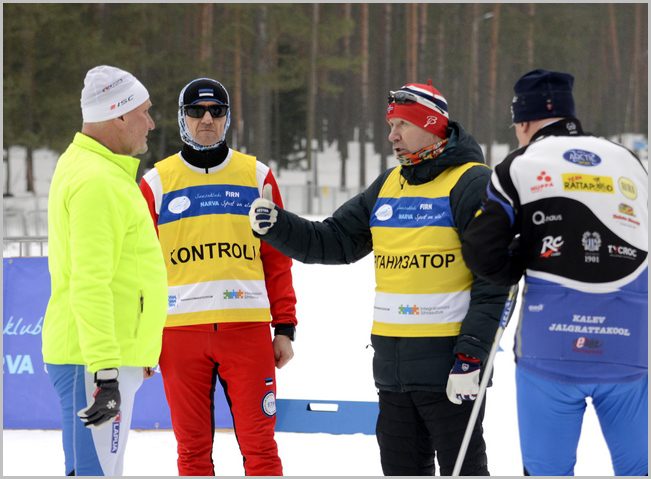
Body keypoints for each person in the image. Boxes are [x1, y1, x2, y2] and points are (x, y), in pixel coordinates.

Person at [249, 81, 509, 476]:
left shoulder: (472, 183)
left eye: (402, 125)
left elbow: (494, 281)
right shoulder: (389, 184)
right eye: (391, 126)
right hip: (393, 374)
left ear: (432, 125)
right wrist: (278, 226)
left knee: (465, 471)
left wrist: (473, 357)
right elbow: (335, 240)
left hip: (452, 370)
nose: (392, 136)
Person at [462, 69, 648, 476]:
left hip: (550, 343)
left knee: (547, 470)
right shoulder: (629, 162)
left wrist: (518, 260)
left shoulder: (519, 165)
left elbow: (480, 249)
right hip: (630, 343)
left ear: (524, 121)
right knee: (639, 468)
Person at [139, 77, 297, 476]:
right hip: (179, 335)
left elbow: (277, 259)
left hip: (246, 332)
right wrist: (141, 338)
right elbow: (140, 268)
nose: (206, 119)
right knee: (192, 452)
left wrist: (285, 327)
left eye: (216, 111)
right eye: (196, 111)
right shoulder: (156, 182)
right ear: (182, 118)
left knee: (261, 448)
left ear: (227, 117)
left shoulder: (257, 176)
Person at [42, 65, 168, 476]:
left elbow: (125, 275)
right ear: (119, 114)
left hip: (100, 357)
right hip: (94, 362)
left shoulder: (99, 169)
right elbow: (90, 282)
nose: (151, 123)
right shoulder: (96, 180)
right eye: (144, 112)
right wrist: (106, 373)